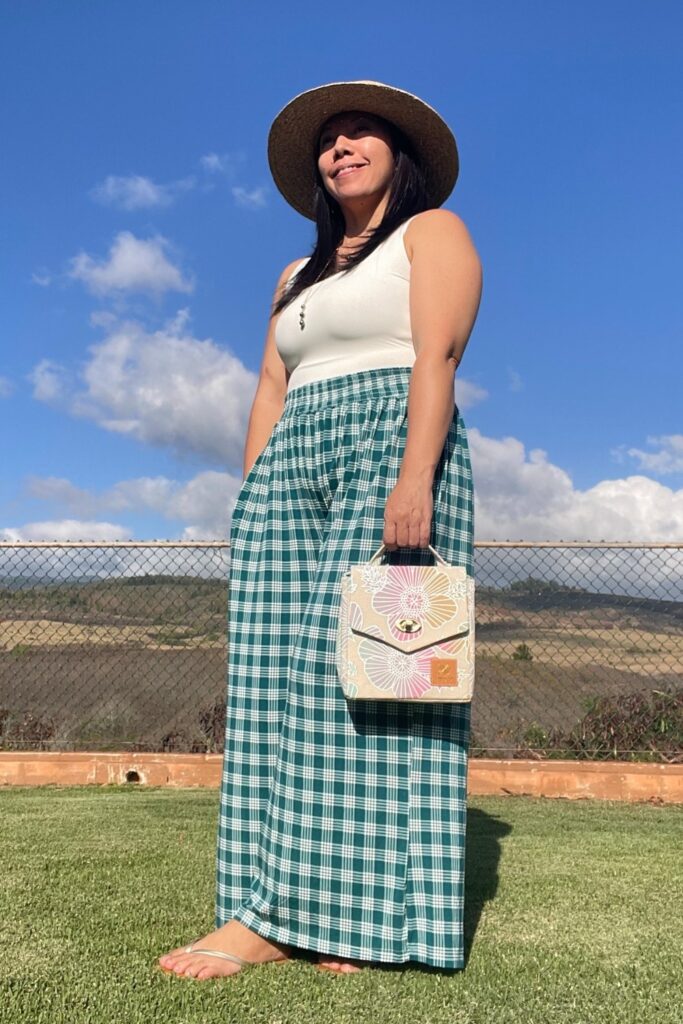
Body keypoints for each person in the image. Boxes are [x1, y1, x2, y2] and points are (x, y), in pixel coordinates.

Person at [158, 79, 482, 980]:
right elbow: (270, 384)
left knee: (377, 681)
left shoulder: (432, 234)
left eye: (360, 135)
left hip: (389, 439)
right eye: (328, 141)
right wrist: (253, 488)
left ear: (398, 155)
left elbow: (438, 356)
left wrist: (413, 478)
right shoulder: (295, 277)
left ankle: (359, 915)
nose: (340, 148)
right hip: (292, 461)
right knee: (270, 676)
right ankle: (289, 909)